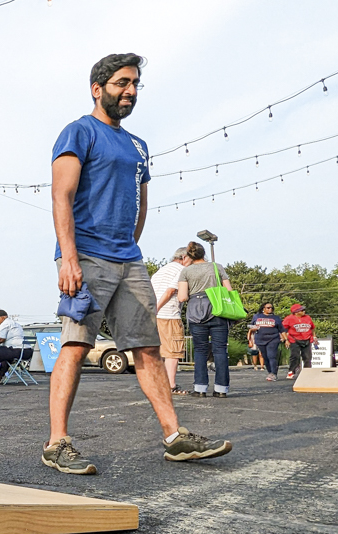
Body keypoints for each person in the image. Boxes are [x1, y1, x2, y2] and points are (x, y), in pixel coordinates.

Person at [46, 53, 231, 475]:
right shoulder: (79, 131)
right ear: (98, 89)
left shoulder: (138, 145)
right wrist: (69, 258)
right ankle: (57, 443)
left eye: (134, 84)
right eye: (121, 83)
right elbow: (62, 196)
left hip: (127, 259)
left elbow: (140, 205)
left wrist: (130, 249)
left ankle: (175, 437)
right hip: (86, 256)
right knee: (76, 345)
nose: (130, 91)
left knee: (147, 348)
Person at [177, 242, 234, 398]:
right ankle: (221, 390)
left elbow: (182, 296)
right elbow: (229, 291)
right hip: (218, 310)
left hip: (196, 311)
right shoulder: (217, 267)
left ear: (189, 256)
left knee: (200, 351)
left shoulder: (186, 272)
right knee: (220, 350)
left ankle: (200, 388)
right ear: (203, 254)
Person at [151, 247, 192, 394]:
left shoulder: (161, 271)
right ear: (183, 257)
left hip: (154, 316)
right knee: (173, 351)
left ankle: (160, 384)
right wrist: (158, 307)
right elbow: (170, 291)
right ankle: (171, 385)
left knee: (160, 351)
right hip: (169, 315)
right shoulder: (181, 270)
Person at [249, 302, 288, 381]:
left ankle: (274, 373)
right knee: (265, 357)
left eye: (271, 308)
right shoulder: (256, 316)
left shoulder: (276, 318)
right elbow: (250, 326)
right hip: (260, 339)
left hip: (273, 339)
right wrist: (251, 335)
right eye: (268, 308)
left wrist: (286, 340)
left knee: (271, 356)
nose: (270, 309)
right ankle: (270, 372)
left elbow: (282, 330)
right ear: (263, 309)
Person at [283, 304, 316, 380]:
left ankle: (307, 371)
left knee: (307, 357)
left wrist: (314, 336)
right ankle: (291, 371)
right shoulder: (289, 319)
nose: (304, 311)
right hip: (294, 339)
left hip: (307, 339)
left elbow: (312, 328)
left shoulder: (307, 318)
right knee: (295, 356)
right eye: (301, 310)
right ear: (296, 312)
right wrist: (286, 340)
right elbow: (283, 330)